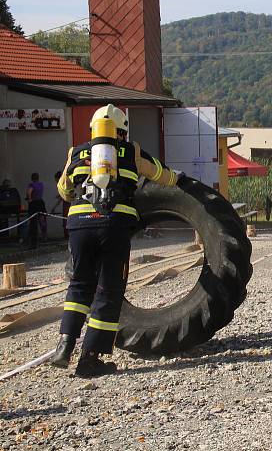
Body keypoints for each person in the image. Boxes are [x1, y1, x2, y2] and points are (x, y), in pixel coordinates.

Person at [50, 104, 185, 377]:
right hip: (114, 225)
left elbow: (64, 190)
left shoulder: (75, 152)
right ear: (122, 131)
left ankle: (64, 346)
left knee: (79, 286)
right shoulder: (130, 151)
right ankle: (90, 359)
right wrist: (179, 180)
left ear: (92, 130)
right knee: (108, 291)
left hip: (79, 227)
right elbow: (159, 174)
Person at [24, 172, 47, 249]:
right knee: (42, 219)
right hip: (40, 202)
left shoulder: (31, 185)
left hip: (34, 203)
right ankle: (44, 236)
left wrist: (29, 199)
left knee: (33, 221)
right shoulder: (41, 184)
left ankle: (33, 239)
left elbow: (29, 191)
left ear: (32, 178)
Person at [52, 171, 69, 239]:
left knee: (66, 221)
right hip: (67, 204)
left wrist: (54, 207)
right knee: (65, 220)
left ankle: (67, 236)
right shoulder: (65, 183)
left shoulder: (62, 184)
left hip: (67, 204)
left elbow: (62, 197)